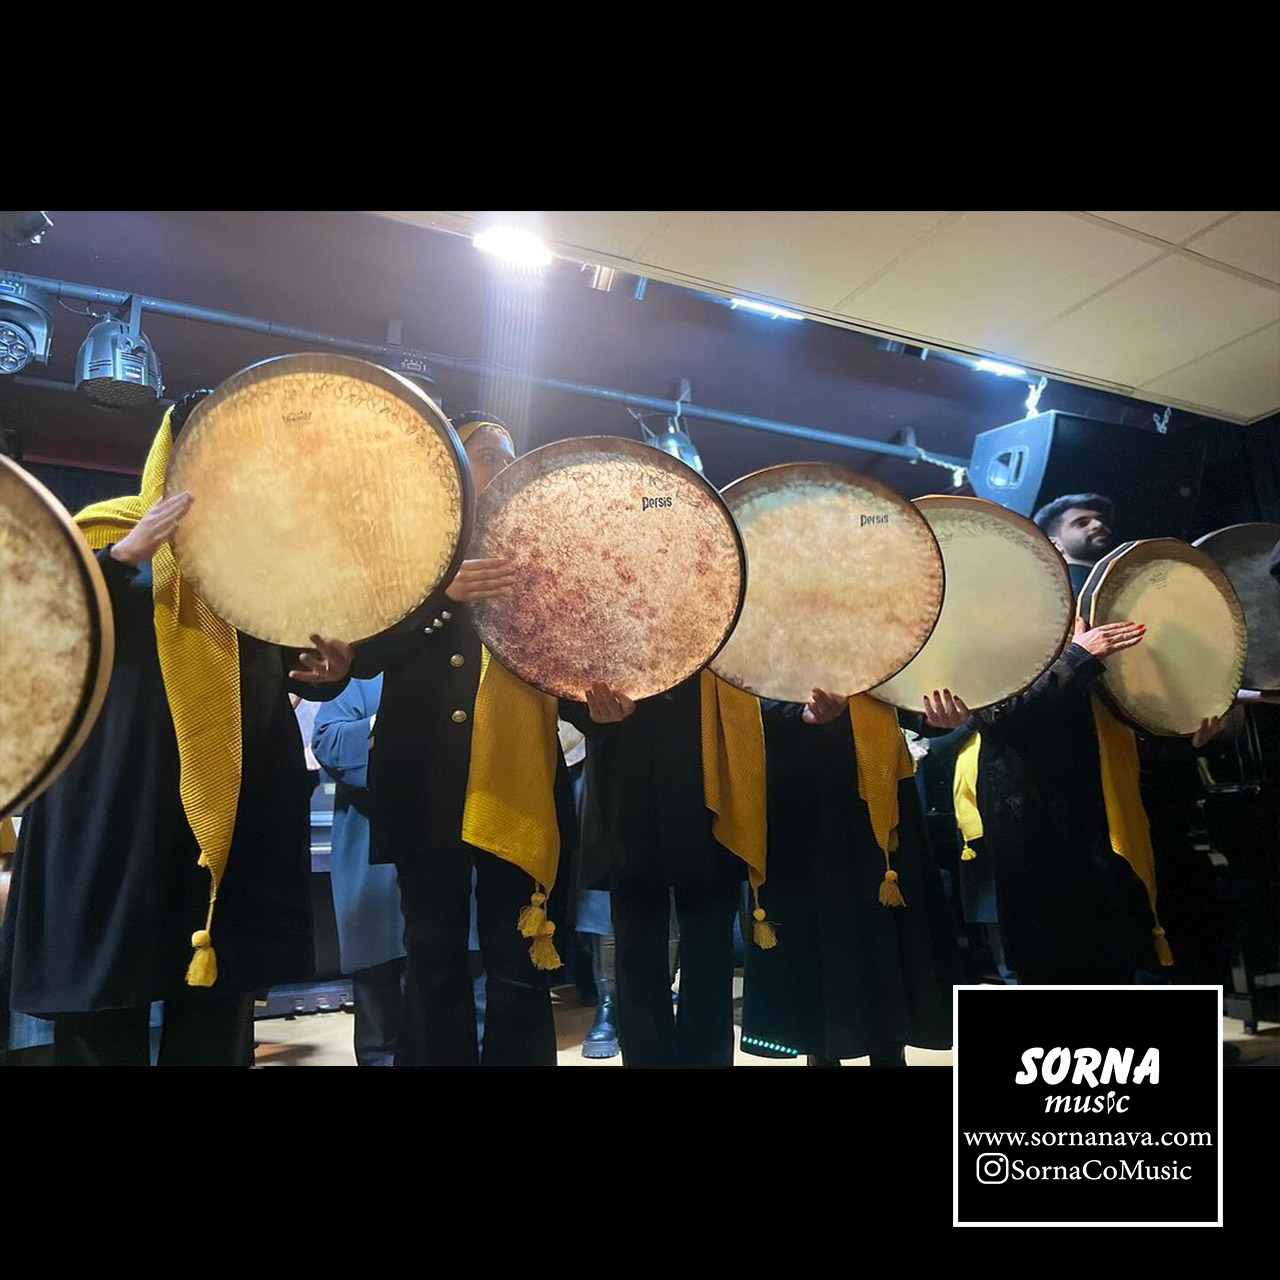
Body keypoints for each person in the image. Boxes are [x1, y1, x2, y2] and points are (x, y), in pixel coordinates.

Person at [1, 392, 353, 1066]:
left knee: (216, 1010)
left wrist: (328, 672)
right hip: (116, 802)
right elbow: (28, 626)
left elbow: (284, 667)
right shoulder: (97, 531)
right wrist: (122, 558)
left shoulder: (266, 562)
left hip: (230, 809)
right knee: (106, 1004)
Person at [349, 413, 567, 1067]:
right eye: (488, 454)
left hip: (515, 782)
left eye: (510, 455)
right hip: (426, 782)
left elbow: (566, 660)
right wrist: (442, 597)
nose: (504, 466)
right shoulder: (406, 555)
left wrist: (598, 711)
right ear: (454, 469)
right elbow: (361, 655)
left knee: (518, 958)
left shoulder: (541, 560)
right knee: (433, 953)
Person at [740, 690, 960, 1066]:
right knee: (813, 931)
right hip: (795, 793)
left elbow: (898, 679)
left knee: (886, 927)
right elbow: (740, 687)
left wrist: (930, 716)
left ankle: (890, 1048)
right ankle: (821, 1052)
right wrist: (795, 710)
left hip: (877, 780)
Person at [311, 676, 407, 1067]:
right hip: (371, 850)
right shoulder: (365, 673)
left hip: (452, 849)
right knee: (379, 994)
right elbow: (327, 741)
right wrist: (387, 724)